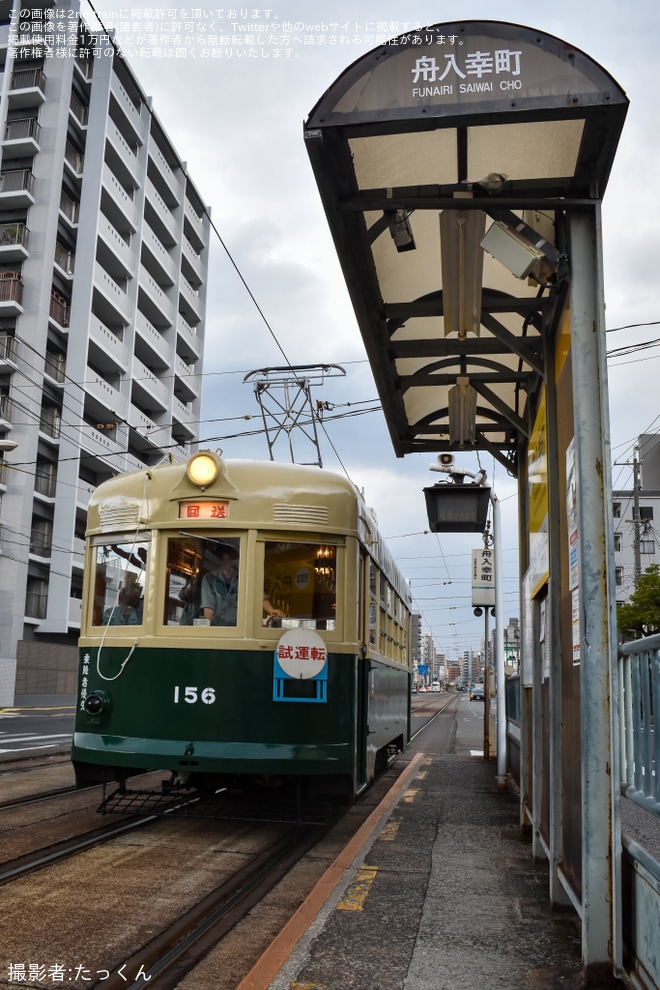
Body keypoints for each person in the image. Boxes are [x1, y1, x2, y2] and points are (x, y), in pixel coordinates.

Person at [200, 545, 240, 625]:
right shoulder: (210, 578)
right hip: (218, 630)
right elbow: (208, 610)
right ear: (226, 557)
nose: (238, 559)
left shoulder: (241, 579)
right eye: (235, 556)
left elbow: (257, 596)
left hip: (238, 631)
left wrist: (271, 611)